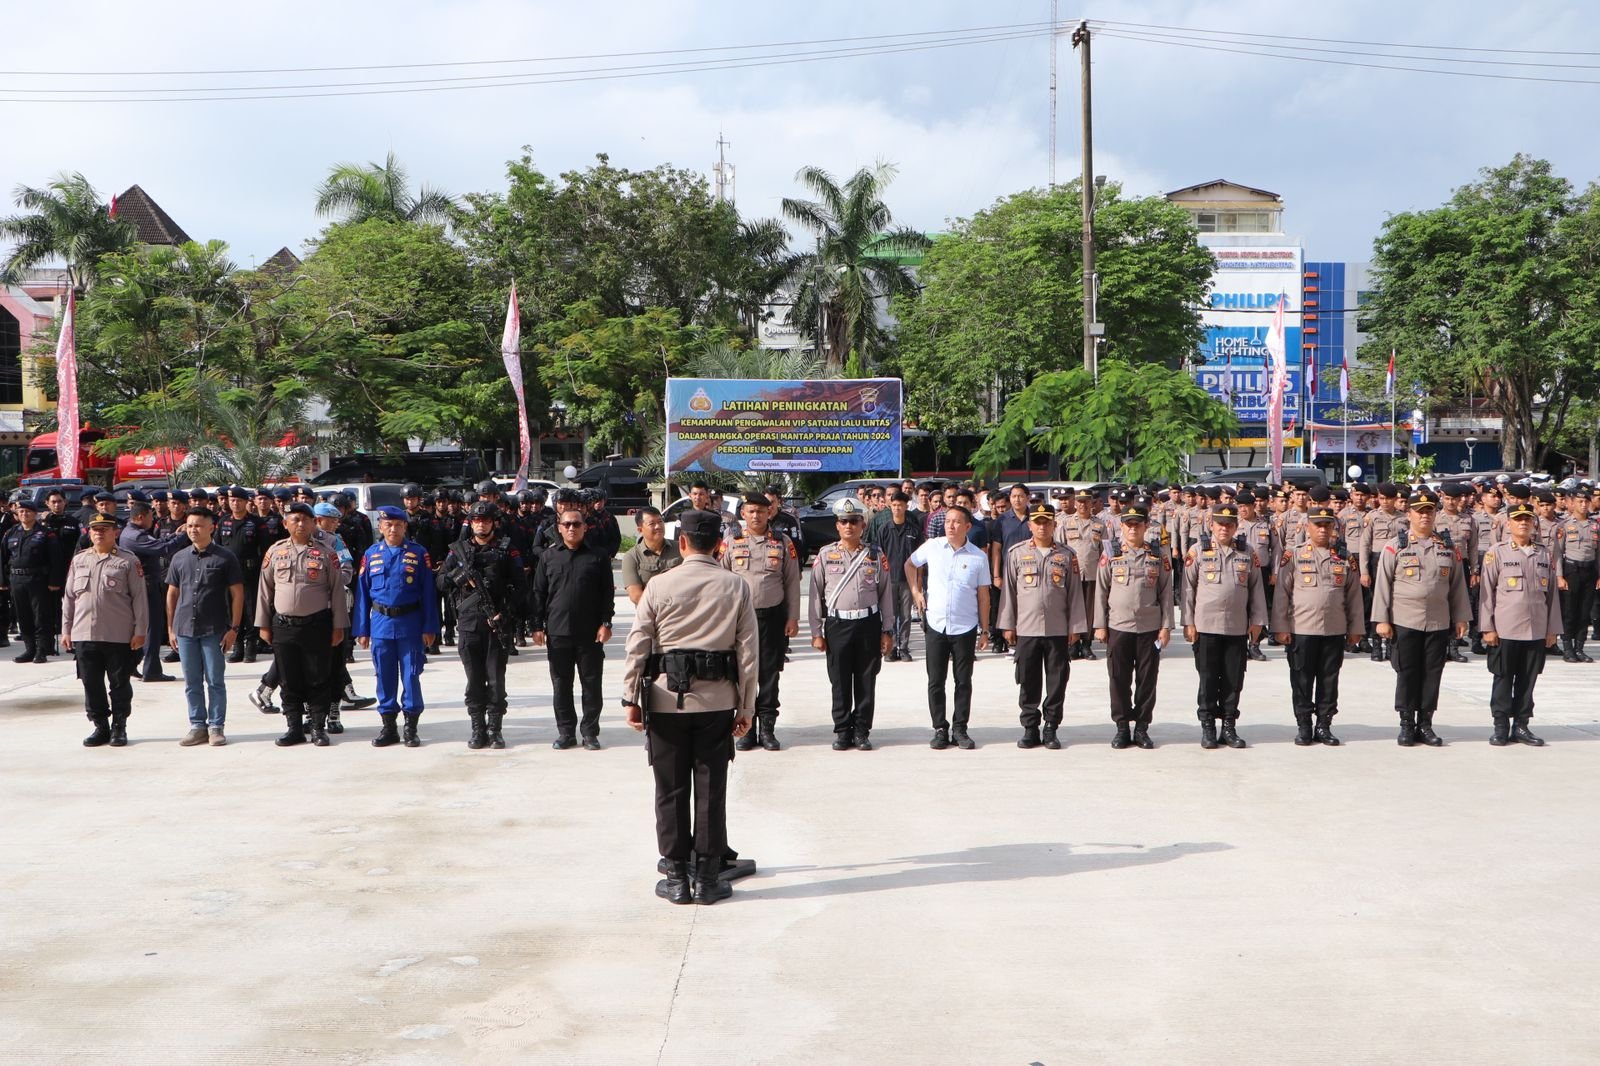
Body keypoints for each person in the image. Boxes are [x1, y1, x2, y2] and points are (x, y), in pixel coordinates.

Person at [622, 509, 757, 906]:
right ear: (720, 544)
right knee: (711, 789)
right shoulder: (735, 585)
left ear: (681, 542)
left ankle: (677, 877)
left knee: (670, 789)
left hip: (665, 702)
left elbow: (638, 645)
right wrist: (746, 706)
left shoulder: (659, 586)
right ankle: (709, 879)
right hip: (716, 703)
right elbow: (748, 652)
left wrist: (631, 698)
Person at [1372, 490, 1472, 747]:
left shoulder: (1447, 547)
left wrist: (1461, 617)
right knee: (1407, 672)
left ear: (1435, 514)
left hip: (1438, 621)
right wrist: (1381, 620)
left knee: (1432, 673)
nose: (1425, 516)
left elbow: (1458, 585)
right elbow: (1383, 584)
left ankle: (1425, 724)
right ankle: (1406, 723)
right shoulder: (1396, 545)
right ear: (1410, 514)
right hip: (1405, 620)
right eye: (1420, 511)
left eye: (1429, 511)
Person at [1270, 497, 1364, 746]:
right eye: (1318, 525)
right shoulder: (1294, 555)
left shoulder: (1345, 557)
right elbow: (1282, 593)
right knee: (1301, 679)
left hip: (1334, 629)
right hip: (1302, 628)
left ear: (1333, 527)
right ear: (1308, 527)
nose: (1323, 529)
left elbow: (1354, 596)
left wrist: (1356, 629)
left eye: (1327, 525)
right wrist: (1280, 627)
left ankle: (1324, 724)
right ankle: (1304, 725)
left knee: (1329, 679)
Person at [257, 502, 351, 747]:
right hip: (284, 626)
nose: (300, 524)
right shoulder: (275, 552)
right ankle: (294, 728)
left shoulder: (326, 552)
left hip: (317, 625)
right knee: (289, 679)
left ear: (313, 523)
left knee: (319, 677)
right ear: (285, 523)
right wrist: (263, 624)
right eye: (295, 519)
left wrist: (339, 625)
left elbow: (337, 592)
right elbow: (264, 591)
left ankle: (318, 728)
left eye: (305, 519)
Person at [998, 502, 1087, 750]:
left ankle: (1051, 727)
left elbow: (1075, 594)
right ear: (1030, 525)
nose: (1042, 526)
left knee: (1057, 680)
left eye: (1046, 521)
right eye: (1037, 522)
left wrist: (1075, 626)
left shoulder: (1067, 555)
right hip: (1026, 629)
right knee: (1028, 679)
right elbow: (1009, 592)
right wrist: (1007, 624)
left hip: (1057, 629)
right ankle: (1030, 728)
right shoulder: (1016, 554)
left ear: (1054, 525)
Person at [439, 501, 527, 749]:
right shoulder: (459, 551)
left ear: (493, 523)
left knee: (496, 680)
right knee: (474, 680)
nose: (481, 524)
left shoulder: (507, 550)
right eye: (477, 521)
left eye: (486, 520)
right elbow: (440, 582)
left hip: (497, 624)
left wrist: (506, 613)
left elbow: (521, 587)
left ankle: (495, 729)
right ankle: (478, 729)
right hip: (469, 625)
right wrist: (461, 578)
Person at [809, 497, 894, 750]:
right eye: (844, 522)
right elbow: (815, 594)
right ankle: (842, 730)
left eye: (854, 521)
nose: (849, 526)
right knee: (840, 679)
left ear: (862, 525)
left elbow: (886, 593)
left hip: (868, 624)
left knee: (866, 680)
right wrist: (816, 632)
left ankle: (862, 731)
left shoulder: (875, 555)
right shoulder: (825, 555)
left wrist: (887, 629)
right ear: (837, 526)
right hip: (838, 625)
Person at [352, 506, 441, 748]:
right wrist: (362, 629)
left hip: (410, 624)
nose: (393, 529)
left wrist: (430, 627)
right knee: (384, 676)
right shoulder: (371, 555)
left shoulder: (418, 553)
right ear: (380, 527)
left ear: (405, 527)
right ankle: (388, 727)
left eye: (398, 525)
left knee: (412, 676)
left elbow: (428, 594)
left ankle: (411, 727)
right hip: (380, 625)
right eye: (388, 524)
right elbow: (362, 594)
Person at [531, 499, 615, 750]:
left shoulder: (598, 557)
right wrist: (536, 625)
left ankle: (590, 732)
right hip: (557, 633)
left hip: (590, 633)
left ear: (585, 527)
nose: (571, 528)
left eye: (576, 524)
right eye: (566, 524)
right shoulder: (548, 557)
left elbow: (606, 594)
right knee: (561, 685)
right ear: (559, 527)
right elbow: (538, 593)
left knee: (591, 684)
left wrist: (606, 623)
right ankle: (566, 732)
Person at [1182, 503, 1267, 749]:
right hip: (1206, 626)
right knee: (1208, 678)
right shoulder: (1198, 551)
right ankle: (1208, 726)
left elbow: (1257, 589)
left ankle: (1228, 726)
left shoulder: (1247, 552)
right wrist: (1188, 622)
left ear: (1235, 526)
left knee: (1233, 679)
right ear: (1212, 525)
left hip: (1236, 627)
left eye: (1229, 525)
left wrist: (1257, 621)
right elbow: (1188, 590)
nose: (1224, 529)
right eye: (1220, 524)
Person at [906, 504, 990, 749]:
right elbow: (910, 565)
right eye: (947, 521)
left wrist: (984, 630)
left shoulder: (978, 556)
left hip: (965, 627)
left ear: (967, 526)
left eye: (956, 522)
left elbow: (983, 596)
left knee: (963, 681)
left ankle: (960, 729)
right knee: (936, 680)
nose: (950, 525)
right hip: (936, 625)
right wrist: (916, 592)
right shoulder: (932, 547)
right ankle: (940, 728)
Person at [721, 493, 800, 752]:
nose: (756, 516)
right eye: (751, 511)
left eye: (761, 511)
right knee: (742, 673)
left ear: (770, 513)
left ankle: (767, 729)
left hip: (772, 618)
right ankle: (745, 728)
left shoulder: (782, 542)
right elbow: (719, 580)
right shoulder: (732, 542)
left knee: (769, 674)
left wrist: (792, 617)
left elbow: (791, 581)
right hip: (739, 619)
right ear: (743, 513)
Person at [1479, 498, 1561, 746]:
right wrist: (1487, 627)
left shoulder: (1544, 554)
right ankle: (1501, 725)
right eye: (1518, 519)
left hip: (1536, 629)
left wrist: (1552, 629)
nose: (1523, 523)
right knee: (1503, 679)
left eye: (1527, 519)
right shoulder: (1497, 553)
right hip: (1505, 629)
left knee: (1528, 680)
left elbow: (1553, 596)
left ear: (1534, 524)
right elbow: (1486, 593)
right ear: (1509, 523)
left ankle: (1522, 725)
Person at [61, 514, 148, 747]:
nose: (99, 533)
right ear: (89, 533)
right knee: (91, 683)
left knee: (119, 683)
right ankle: (100, 726)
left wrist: (140, 631)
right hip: (84, 634)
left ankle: (120, 726)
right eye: (95, 529)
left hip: (118, 635)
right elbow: (69, 598)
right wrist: (66, 630)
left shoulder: (127, 561)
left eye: (104, 529)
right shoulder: (79, 560)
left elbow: (140, 599)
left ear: (115, 532)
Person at [1095, 500, 1173, 749]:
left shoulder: (1157, 555)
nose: (1132, 529)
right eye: (1128, 525)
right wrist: (1100, 625)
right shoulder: (1111, 553)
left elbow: (1166, 592)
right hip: (1119, 626)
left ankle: (1141, 728)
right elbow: (1100, 591)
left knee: (1147, 680)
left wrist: (1166, 626)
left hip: (1149, 628)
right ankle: (1121, 727)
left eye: (1137, 525)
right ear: (1122, 526)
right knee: (1118, 679)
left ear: (1145, 526)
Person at [165, 508, 245, 747]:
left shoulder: (225, 557)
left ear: (212, 528)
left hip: (214, 629)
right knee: (191, 681)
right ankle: (197, 726)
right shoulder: (179, 558)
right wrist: (170, 628)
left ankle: (216, 727)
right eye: (189, 525)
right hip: (184, 629)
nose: (193, 530)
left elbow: (237, 594)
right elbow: (172, 594)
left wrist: (234, 628)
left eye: (198, 525)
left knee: (215, 680)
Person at [1, 495, 67, 663]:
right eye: (21, 511)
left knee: (41, 617)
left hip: (38, 580)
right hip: (17, 580)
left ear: (35, 514)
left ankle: (41, 651)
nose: (24, 514)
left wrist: (54, 582)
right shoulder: (11, 533)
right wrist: (2, 581)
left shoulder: (45, 533)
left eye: (28, 512)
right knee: (23, 616)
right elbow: (2, 557)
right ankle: (29, 649)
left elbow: (56, 559)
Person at [868, 491, 924, 662]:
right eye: (894, 505)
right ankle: (891, 648)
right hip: (888, 580)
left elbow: (920, 558)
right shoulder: (884, 530)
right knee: (890, 616)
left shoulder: (914, 531)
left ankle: (904, 648)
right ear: (890, 506)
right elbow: (877, 556)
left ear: (906, 507)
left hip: (908, 581)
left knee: (906, 616)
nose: (897, 508)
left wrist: (919, 582)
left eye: (900, 505)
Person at [216, 487, 265, 663]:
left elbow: (265, 549)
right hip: (228, 574)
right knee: (232, 611)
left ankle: (251, 646)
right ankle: (237, 645)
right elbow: (217, 547)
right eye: (232, 500)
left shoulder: (256, 523)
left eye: (239, 500)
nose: (235, 503)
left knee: (250, 611)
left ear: (246, 502)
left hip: (250, 573)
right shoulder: (223, 522)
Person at [1555, 487, 1600, 663]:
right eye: (1579, 502)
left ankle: (1579, 648)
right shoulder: (1564, 525)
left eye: (1586, 502)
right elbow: (1557, 553)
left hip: (1589, 571)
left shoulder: (1595, 525)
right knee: (1569, 611)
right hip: (1571, 570)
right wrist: (1559, 576)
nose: (1583, 505)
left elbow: (1598, 554)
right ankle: (1567, 648)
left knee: (1584, 611)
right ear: (1572, 504)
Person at [622, 507, 682, 605]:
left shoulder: (681, 548)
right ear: (640, 529)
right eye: (652, 524)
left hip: (679, 613)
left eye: (660, 521)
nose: (658, 526)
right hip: (650, 616)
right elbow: (636, 595)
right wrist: (663, 608)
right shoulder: (631, 557)